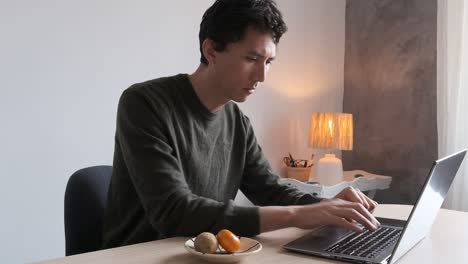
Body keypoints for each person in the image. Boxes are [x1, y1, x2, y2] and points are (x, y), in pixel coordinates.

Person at [102, 0, 380, 249]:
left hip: (206, 255)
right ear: (210, 49)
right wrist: (298, 215)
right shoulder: (143, 103)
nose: (262, 75)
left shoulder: (237, 122)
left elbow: (270, 190)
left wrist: (327, 206)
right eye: (251, 59)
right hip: (138, 255)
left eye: (269, 61)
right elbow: (174, 212)